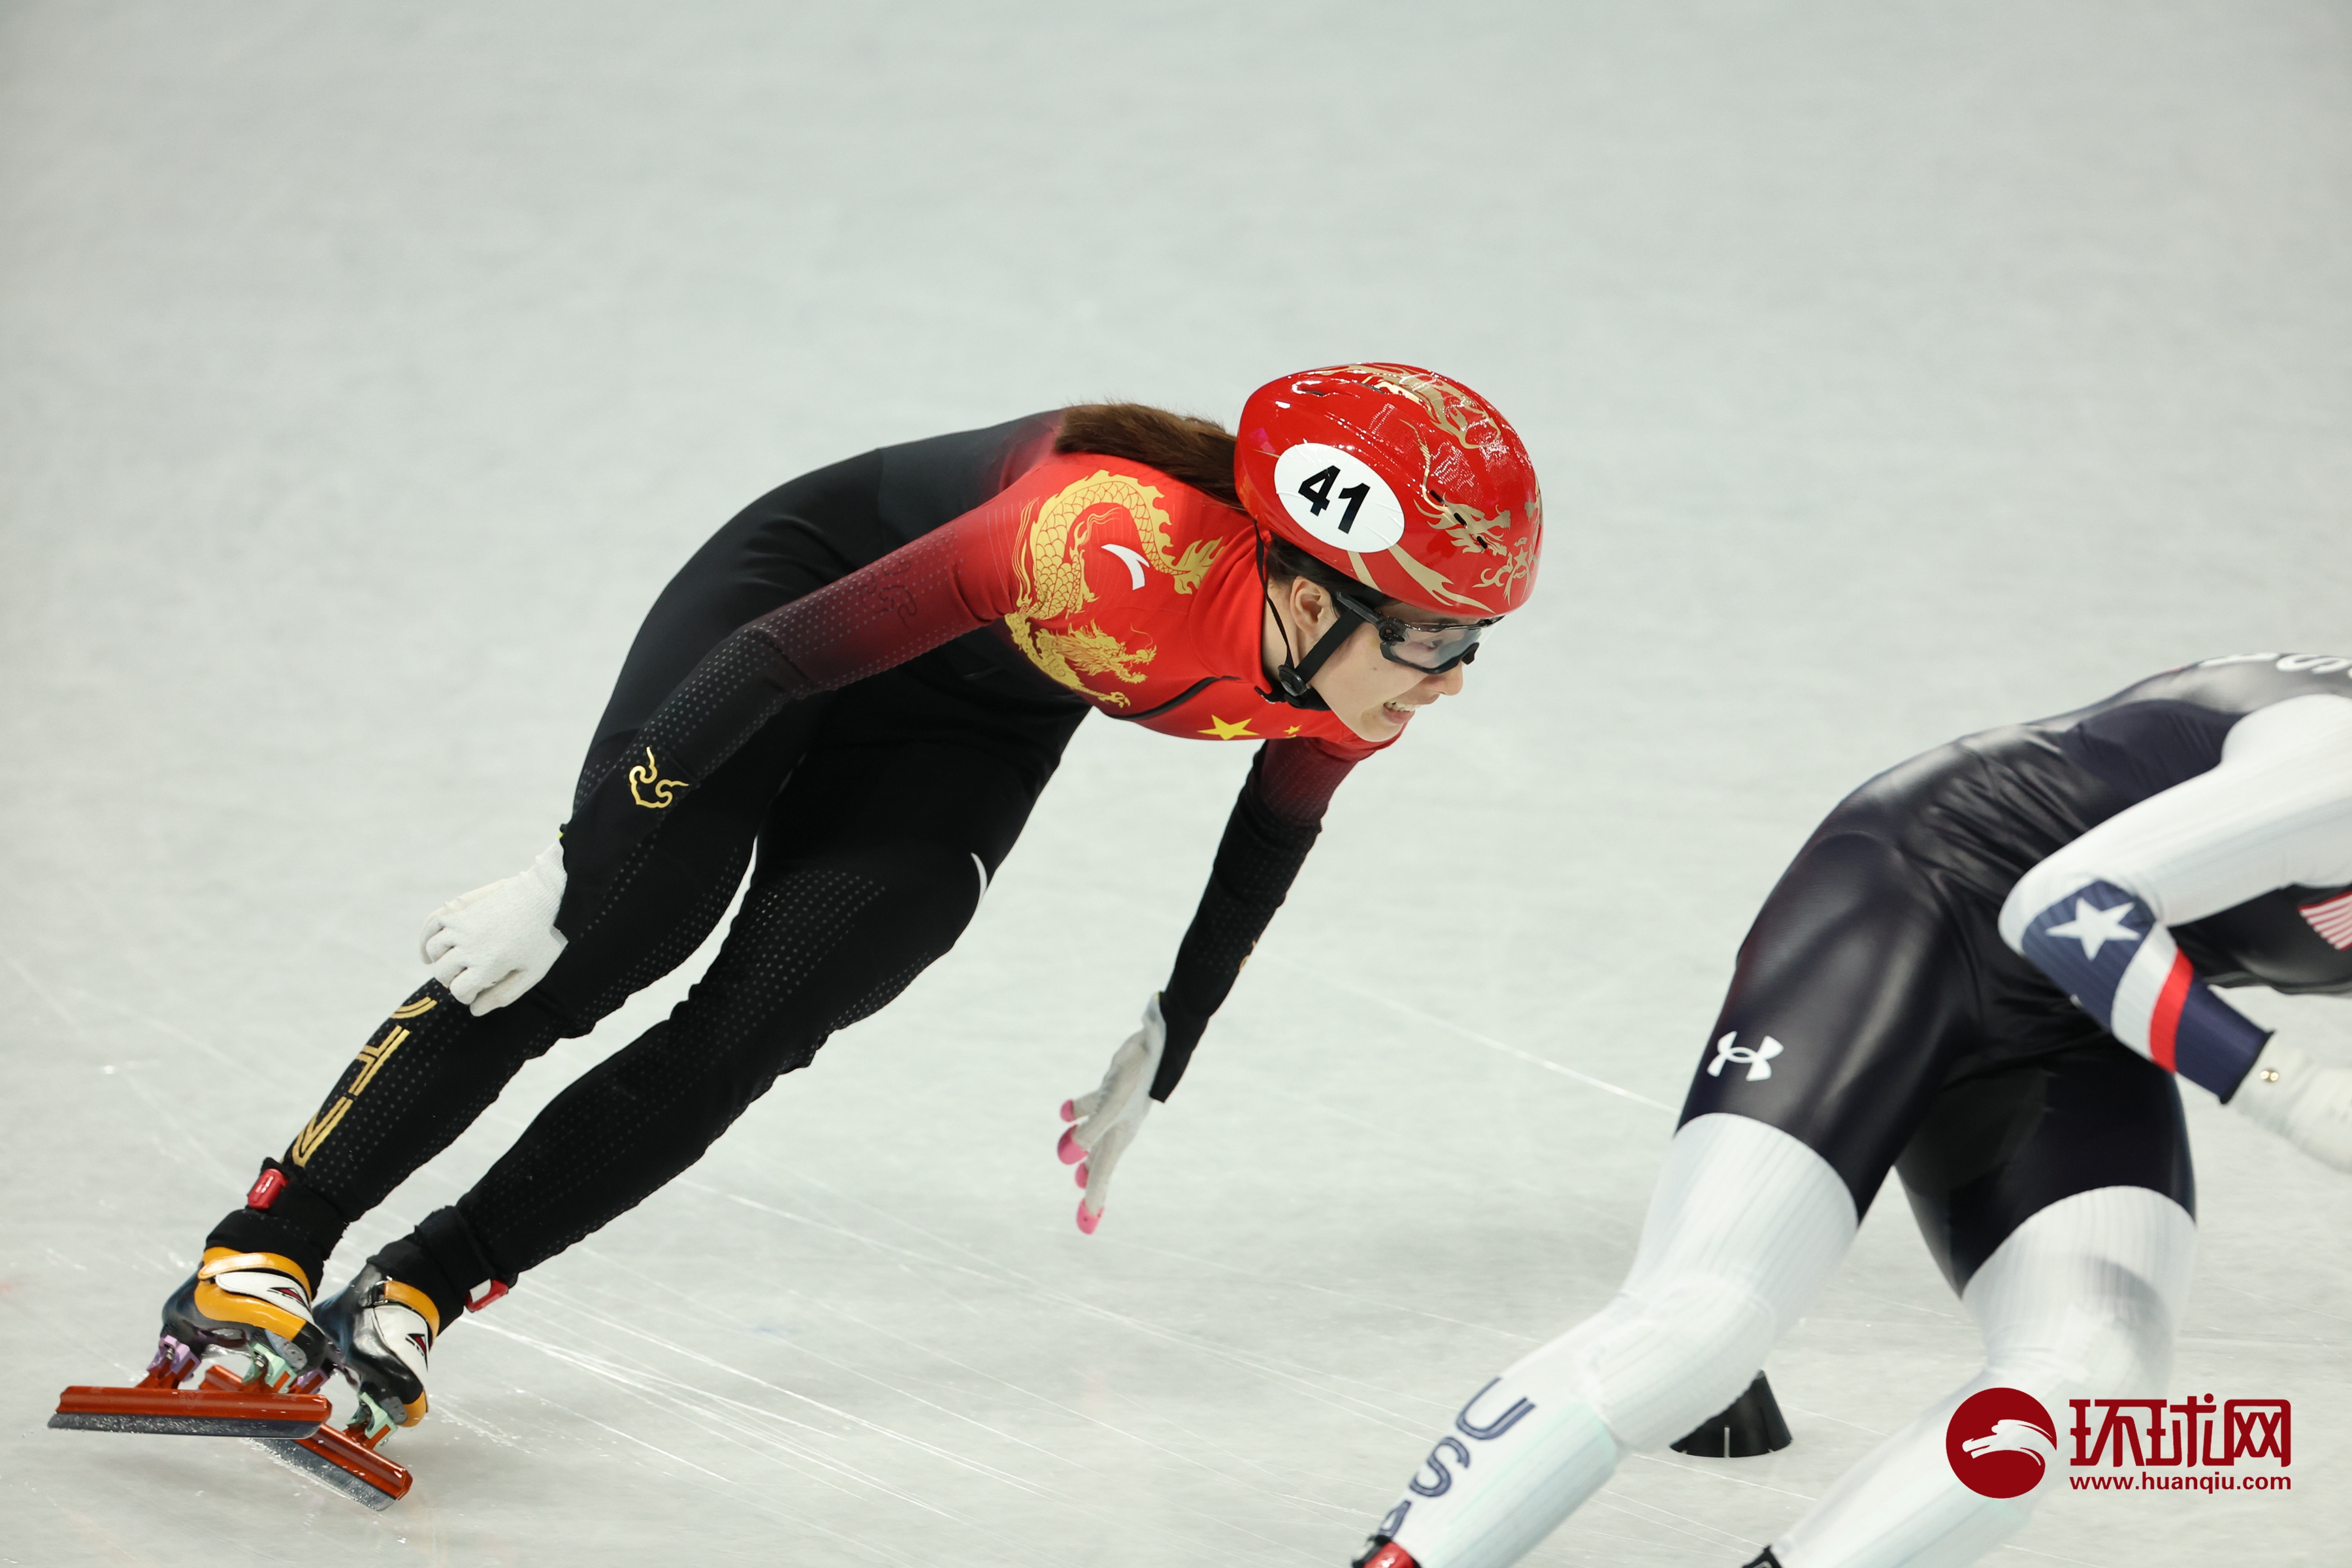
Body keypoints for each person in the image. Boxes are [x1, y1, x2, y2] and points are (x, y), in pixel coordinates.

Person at [131, 365, 1546, 1458]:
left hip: (967, 728)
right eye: (1433, 642)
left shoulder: (1356, 680)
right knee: (608, 934)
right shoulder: (1103, 542)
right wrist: (576, 860)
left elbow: (1264, 849)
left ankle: (418, 1289)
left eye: (1471, 644)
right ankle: (262, 1247)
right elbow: (782, 654)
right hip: (800, 618)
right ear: (1308, 591)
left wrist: (1171, 1035)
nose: (1450, 682)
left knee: (777, 1007)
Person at [1353, 653, 2352, 1568]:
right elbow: (2068, 909)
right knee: (1700, 1325)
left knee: (2094, 1373)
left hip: (2077, 1006)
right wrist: (2294, 1095)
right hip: (1918, 897)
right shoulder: (2335, 768)